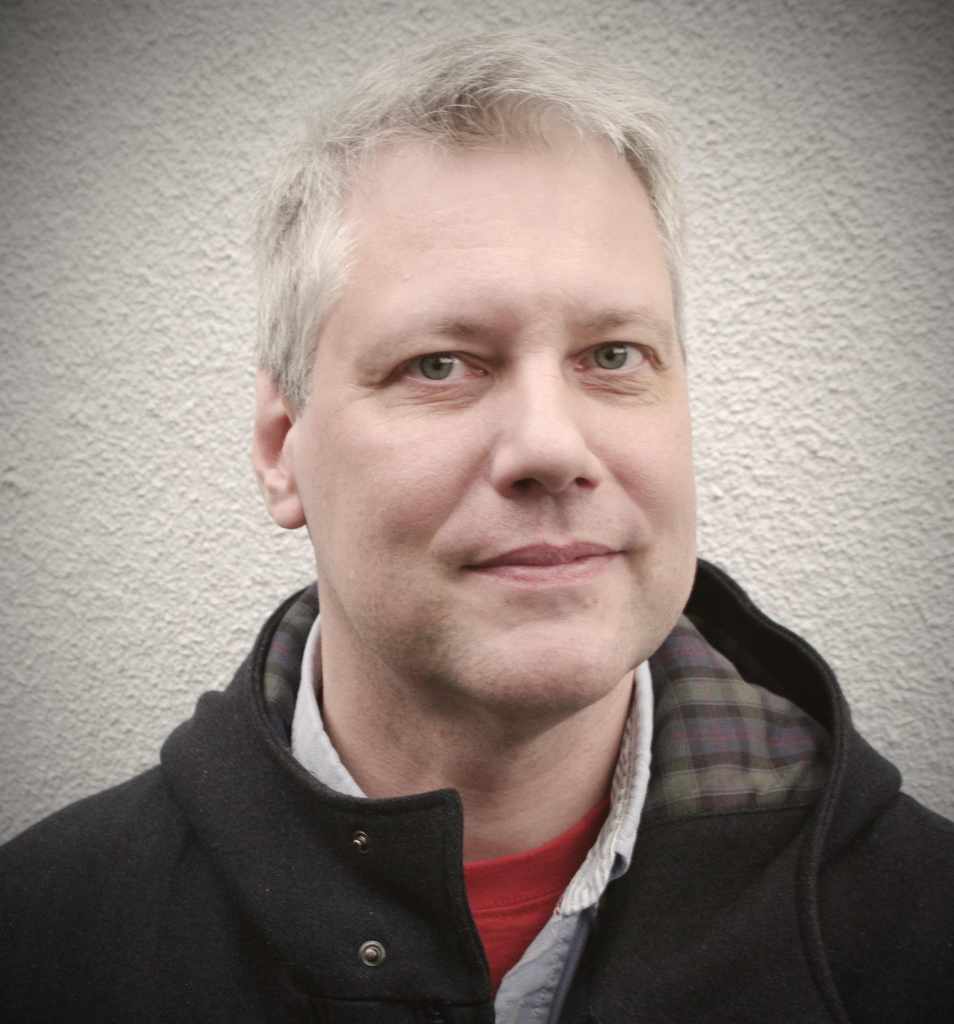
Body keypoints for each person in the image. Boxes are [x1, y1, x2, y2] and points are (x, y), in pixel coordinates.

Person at [2, 31, 952, 1024]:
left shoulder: (922, 930)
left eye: (613, 355)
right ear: (284, 448)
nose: (550, 446)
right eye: (441, 364)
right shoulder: (42, 943)